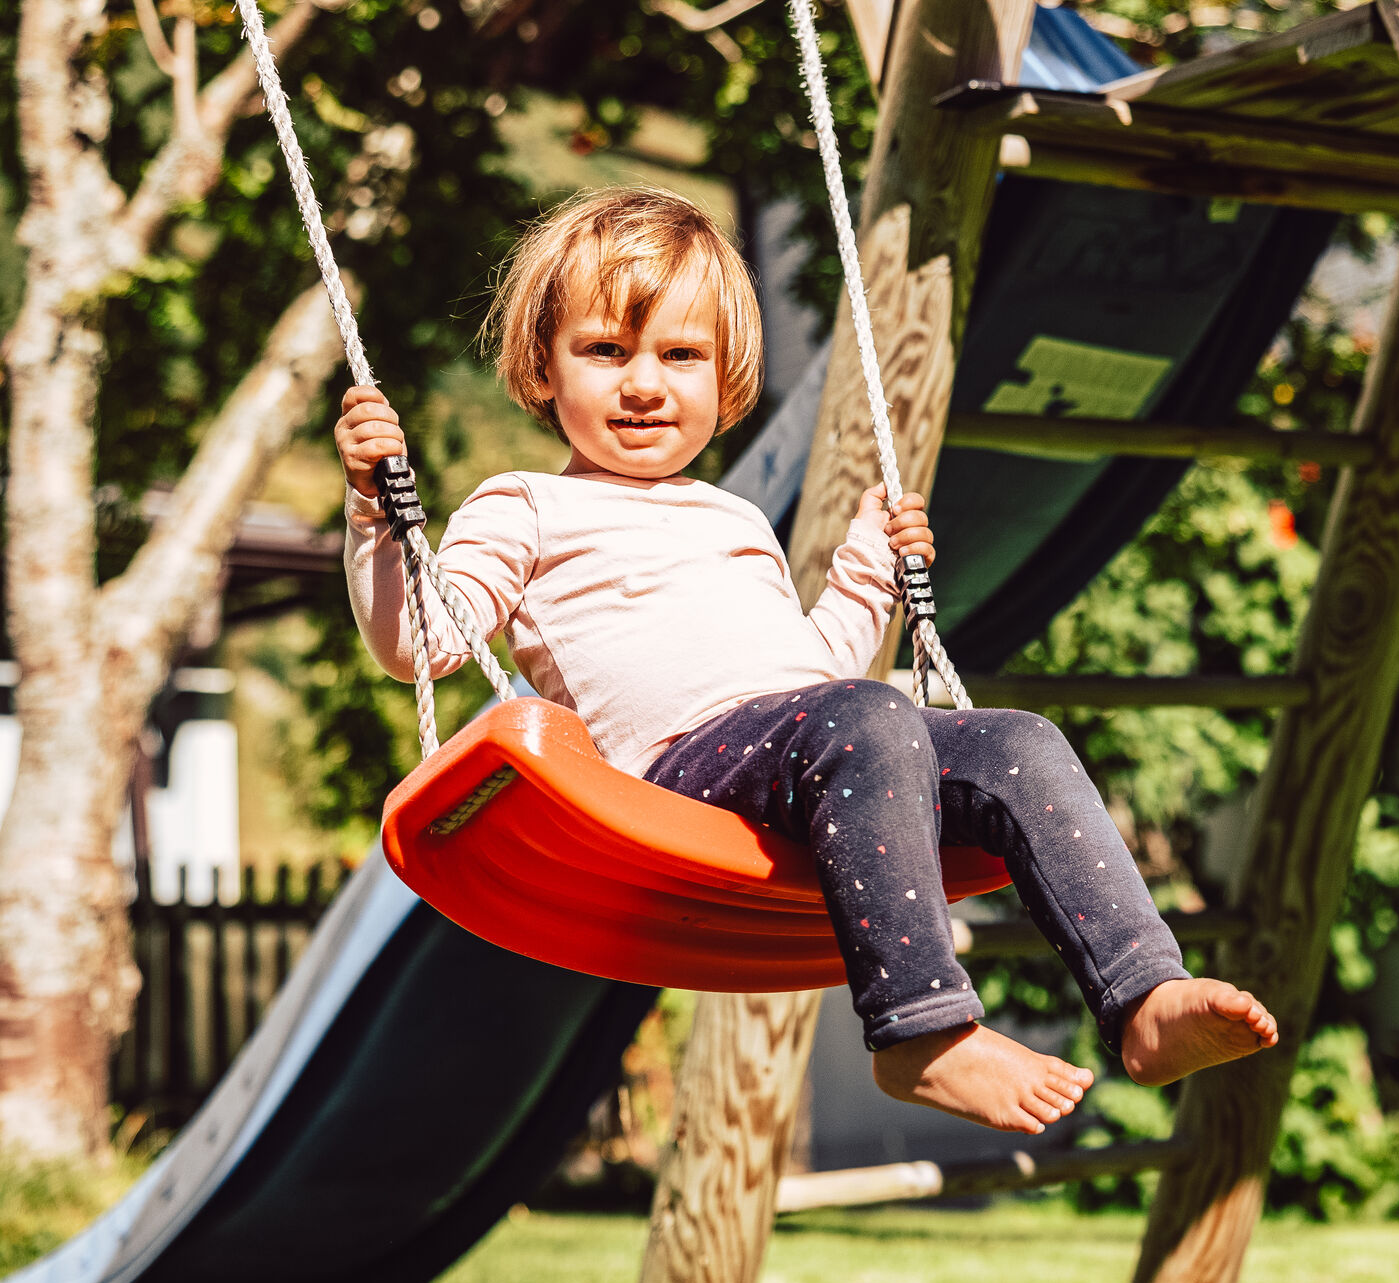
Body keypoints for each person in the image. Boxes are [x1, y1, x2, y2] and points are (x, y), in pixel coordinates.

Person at [337, 186, 1277, 1135]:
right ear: (545, 366)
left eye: (680, 355)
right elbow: (423, 640)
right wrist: (379, 514)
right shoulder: (528, 506)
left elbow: (809, 674)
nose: (644, 384)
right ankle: (920, 1031)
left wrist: (869, 571)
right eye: (606, 351)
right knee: (864, 717)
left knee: (1017, 743)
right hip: (677, 775)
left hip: (801, 752)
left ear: (726, 377)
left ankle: (1143, 996)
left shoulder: (737, 517)